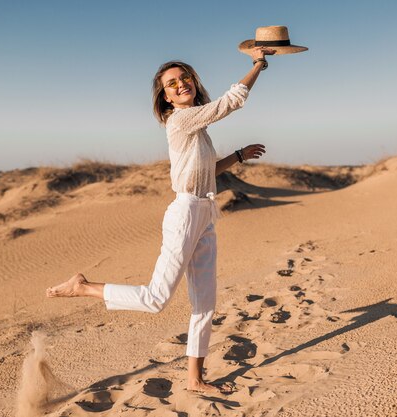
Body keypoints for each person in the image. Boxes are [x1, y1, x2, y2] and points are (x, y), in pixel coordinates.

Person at [46, 46, 275, 393]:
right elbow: (232, 101)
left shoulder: (196, 125)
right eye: (172, 83)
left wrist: (238, 156)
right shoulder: (180, 119)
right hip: (184, 215)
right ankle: (84, 287)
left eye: (185, 78)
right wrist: (258, 65)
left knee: (205, 304)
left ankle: (195, 379)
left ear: (194, 83)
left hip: (205, 213)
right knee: (156, 299)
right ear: (165, 98)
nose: (180, 84)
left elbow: (205, 171)